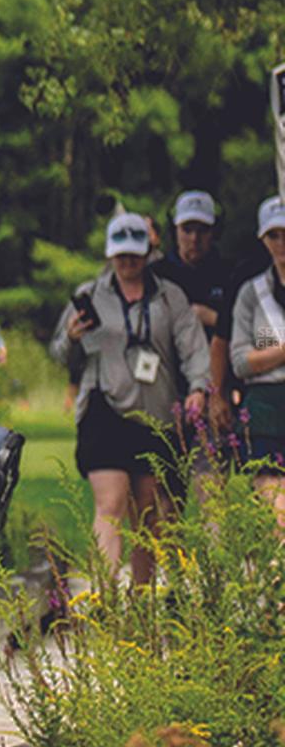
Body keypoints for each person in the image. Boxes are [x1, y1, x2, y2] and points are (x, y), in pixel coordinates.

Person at [52, 211, 210, 592]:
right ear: (110, 255)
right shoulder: (89, 296)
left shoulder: (169, 297)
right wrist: (72, 337)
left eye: (134, 255)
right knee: (110, 503)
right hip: (103, 409)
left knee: (149, 512)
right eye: (120, 255)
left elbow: (193, 348)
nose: (127, 263)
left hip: (154, 416)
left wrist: (199, 388)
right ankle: (104, 596)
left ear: (147, 253)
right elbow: (59, 354)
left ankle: (140, 599)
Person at [151, 190, 236, 457]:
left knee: (210, 482)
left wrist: (214, 319)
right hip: (164, 388)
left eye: (203, 230)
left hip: (216, 389)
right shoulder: (155, 276)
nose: (194, 239)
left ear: (215, 233)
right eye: (187, 229)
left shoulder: (232, 274)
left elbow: (259, 333)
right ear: (175, 230)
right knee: (164, 486)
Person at [230, 197, 285, 526]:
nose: (281, 243)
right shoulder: (252, 293)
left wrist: (267, 353)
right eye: (273, 235)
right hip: (265, 405)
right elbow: (240, 360)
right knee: (276, 508)